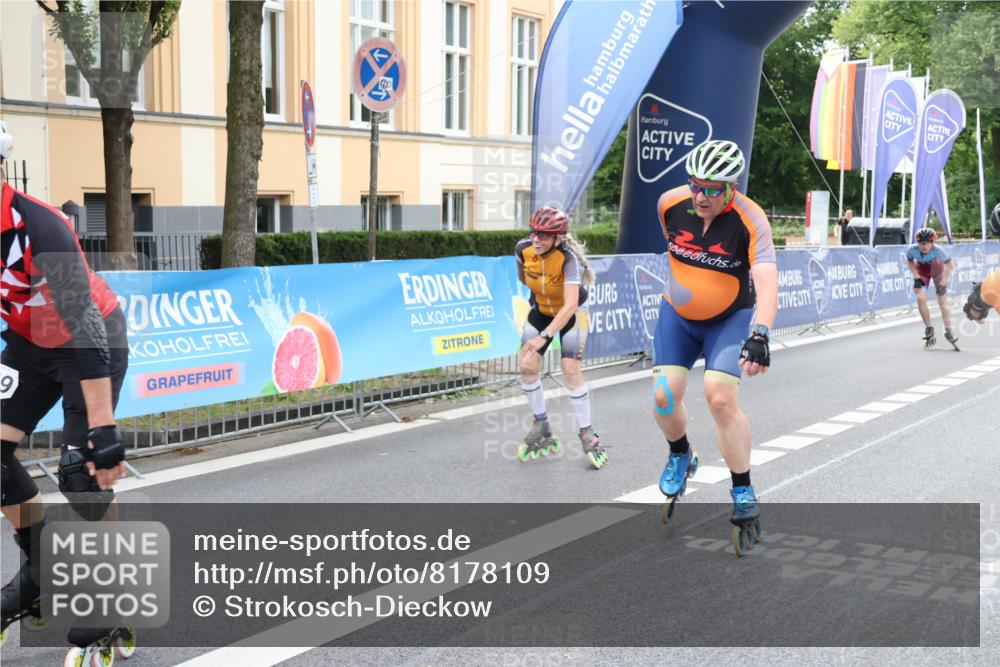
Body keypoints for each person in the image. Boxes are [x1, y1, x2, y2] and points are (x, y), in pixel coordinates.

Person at [0, 119, 129, 648]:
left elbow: (84, 323)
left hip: (87, 341)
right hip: (31, 346)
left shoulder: (39, 225)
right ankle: (40, 570)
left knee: (81, 471)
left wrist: (103, 431)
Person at [653, 139, 778, 555]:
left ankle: (742, 489)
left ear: (732, 186)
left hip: (728, 320)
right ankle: (680, 453)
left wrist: (760, 333)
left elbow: (766, 283)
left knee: (720, 398)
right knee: (664, 397)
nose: (700, 196)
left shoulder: (751, 219)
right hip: (678, 315)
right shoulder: (669, 204)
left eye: (712, 189)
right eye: (695, 185)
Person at [514, 206, 607, 469]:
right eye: (534, 232)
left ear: (558, 238)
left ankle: (586, 432)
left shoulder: (568, 260)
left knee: (570, 369)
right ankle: (541, 422)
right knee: (526, 365)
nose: (536, 239)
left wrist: (544, 337)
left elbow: (569, 307)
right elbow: (523, 278)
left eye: (544, 235)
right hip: (542, 310)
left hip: (573, 313)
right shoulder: (522, 250)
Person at [906, 227, 957, 350]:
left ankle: (948, 330)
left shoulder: (938, 251)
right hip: (922, 271)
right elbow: (910, 262)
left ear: (932, 242)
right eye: (920, 243)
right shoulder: (912, 250)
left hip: (937, 269)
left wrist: (943, 283)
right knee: (920, 298)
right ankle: (929, 328)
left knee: (942, 298)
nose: (923, 246)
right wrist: (916, 277)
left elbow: (950, 265)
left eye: (926, 243)